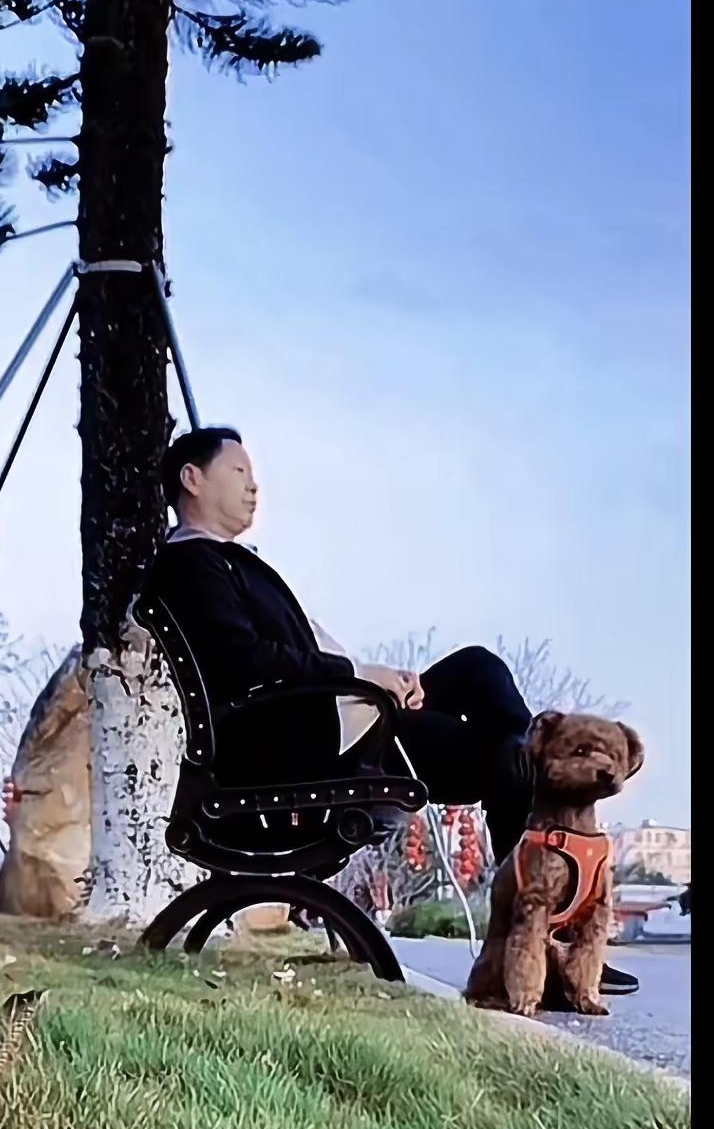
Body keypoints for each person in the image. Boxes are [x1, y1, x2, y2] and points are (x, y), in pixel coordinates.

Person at [143, 426, 637, 995]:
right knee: (508, 759)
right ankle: (547, 931)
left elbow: (284, 656)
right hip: (306, 741)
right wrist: (360, 677)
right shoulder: (193, 564)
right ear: (192, 478)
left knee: (480, 672)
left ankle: (541, 900)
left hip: (330, 716)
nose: (254, 488)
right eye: (239, 473)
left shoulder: (224, 562)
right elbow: (245, 662)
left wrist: (385, 681)